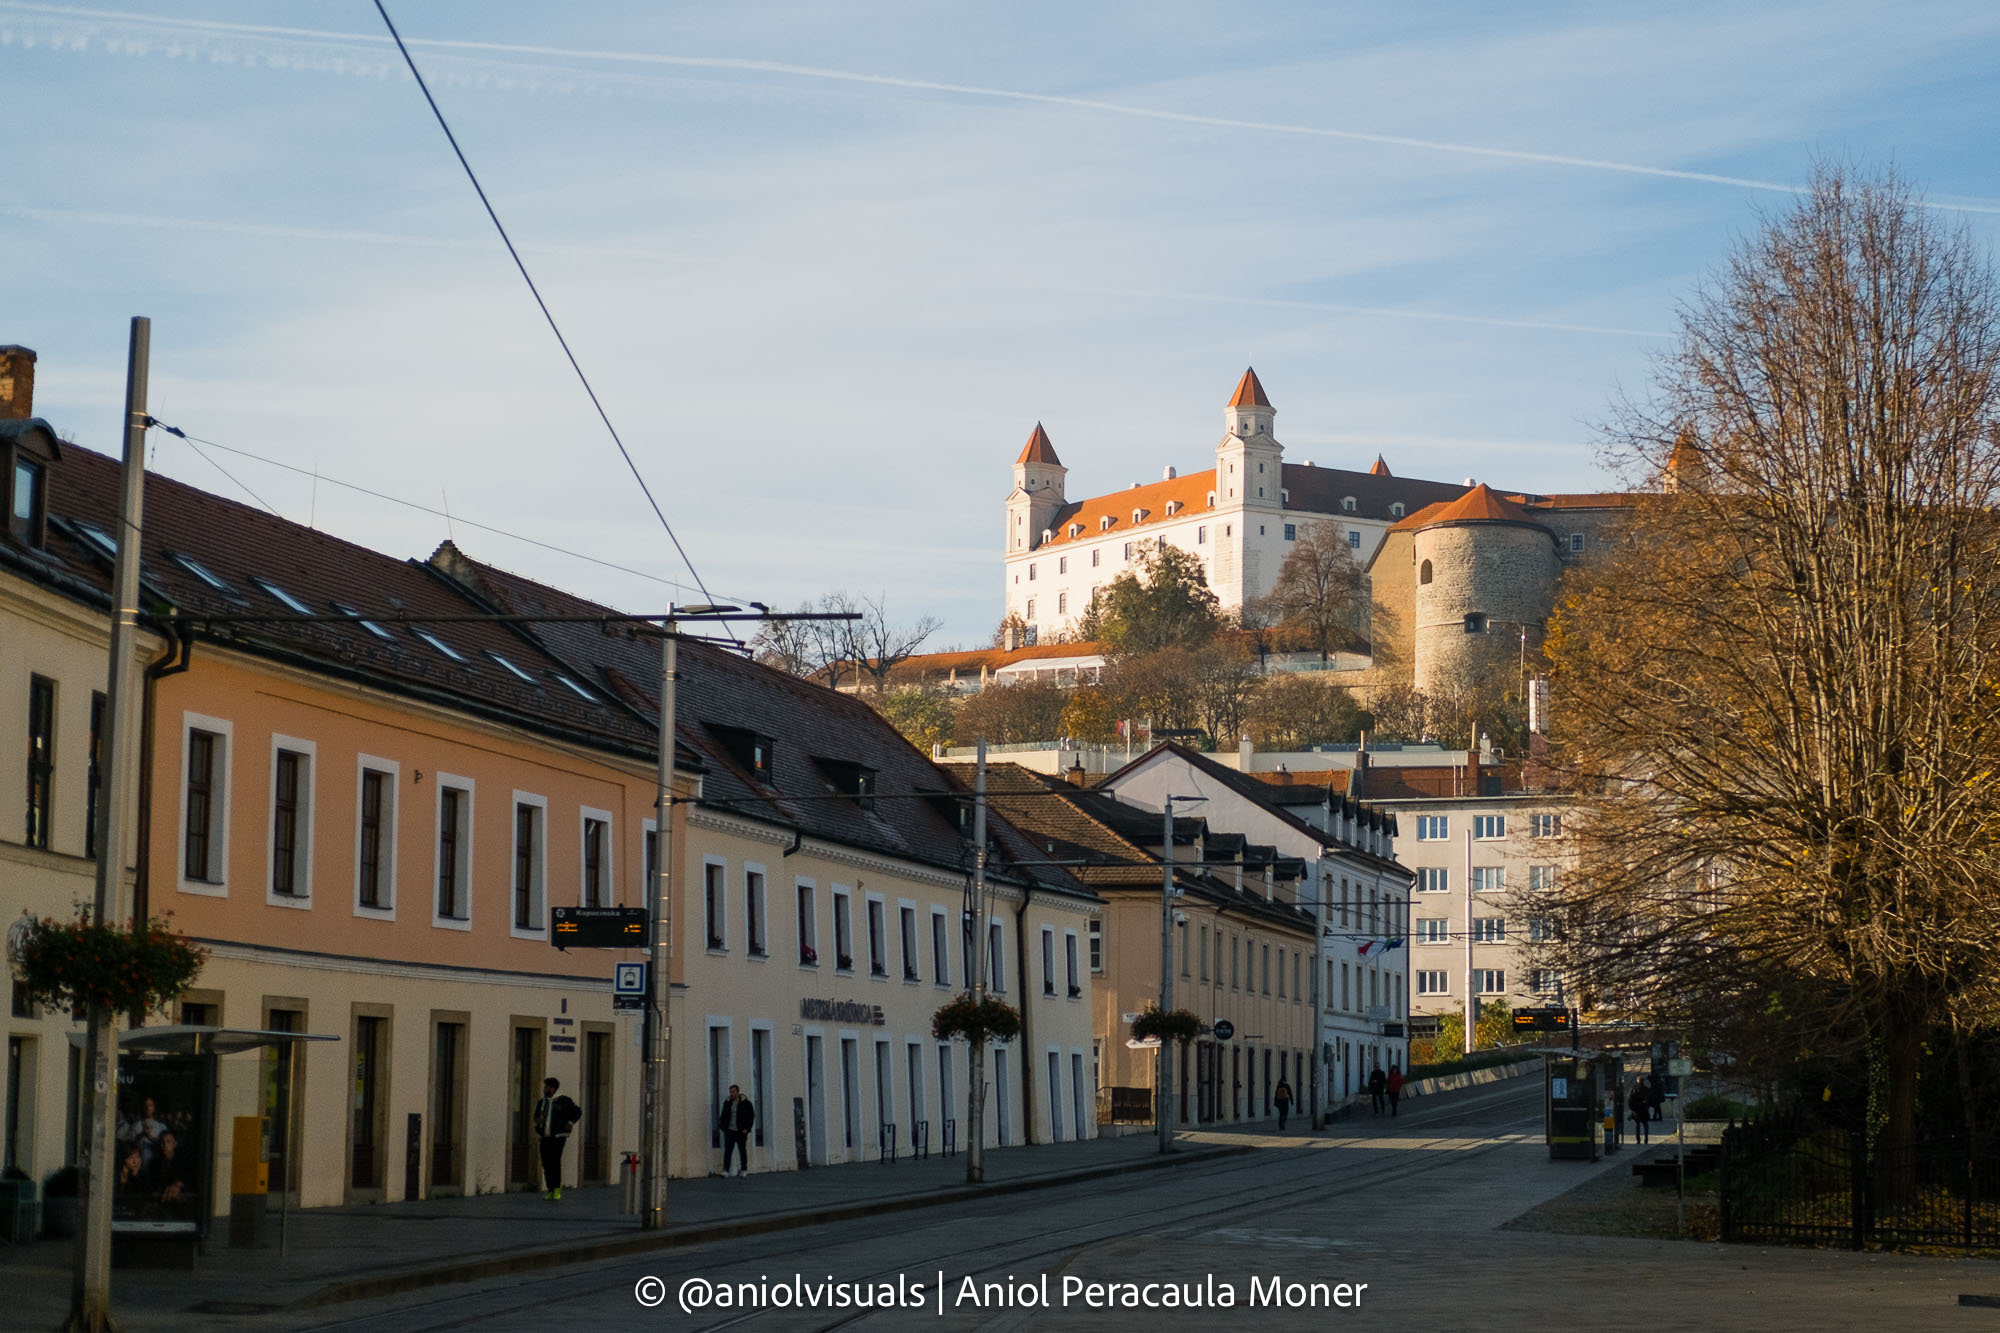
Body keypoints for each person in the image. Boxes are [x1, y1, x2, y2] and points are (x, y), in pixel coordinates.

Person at [533, 1077, 580, 1200]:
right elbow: (535, 1117)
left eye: (547, 1087)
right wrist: (539, 1120)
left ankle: (557, 1190)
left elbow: (577, 1112)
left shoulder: (564, 1101)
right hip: (545, 1137)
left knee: (555, 1162)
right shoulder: (542, 1102)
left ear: (553, 1088)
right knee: (546, 1163)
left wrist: (570, 1123)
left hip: (558, 1137)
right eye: (545, 1087)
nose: (545, 1089)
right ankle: (550, 1189)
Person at [717, 1084, 756, 1176]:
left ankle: (744, 1169)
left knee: (742, 1150)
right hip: (729, 1130)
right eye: (730, 1092)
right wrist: (723, 1127)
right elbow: (723, 1115)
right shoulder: (727, 1103)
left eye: (733, 1092)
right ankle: (726, 1170)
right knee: (728, 1151)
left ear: (738, 1092)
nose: (731, 1094)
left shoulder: (746, 1103)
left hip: (741, 1131)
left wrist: (747, 1129)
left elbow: (751, 1116)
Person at [1627, 1075, 1651, 1145]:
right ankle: (1646, 1138)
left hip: (1636, 1110)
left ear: (1637, 1081)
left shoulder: (1634, 1089)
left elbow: (1630, 1100)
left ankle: (1638, 1139)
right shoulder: (1647, 1089)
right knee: (1645, 1124)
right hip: (1644, 1109)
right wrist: (1646, 1105)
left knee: (1637, 1125)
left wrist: (1632, 1108)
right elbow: (1650, 1100)